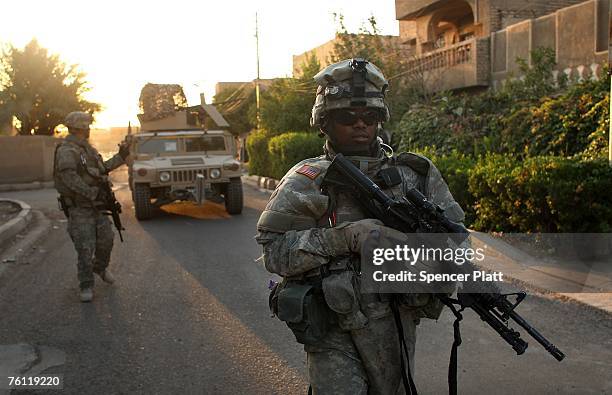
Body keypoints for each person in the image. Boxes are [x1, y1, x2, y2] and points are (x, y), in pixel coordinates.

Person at [255, 59, 466, 394]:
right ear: (324, 122)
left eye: (369, 117)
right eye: (346, 117)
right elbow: (276, 255)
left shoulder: (414, 175)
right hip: (333, 326)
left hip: (396, 321)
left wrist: (431, 261)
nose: (360, 125)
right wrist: (344, 238)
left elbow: (456, 241)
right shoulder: (305, 182)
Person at [54, 111, 129, 302]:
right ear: (80, 128)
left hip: (96, 206)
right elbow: (69, 177)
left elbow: (101, 169)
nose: (89, 129)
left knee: (107, 240)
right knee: (85, 248)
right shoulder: (67, 150)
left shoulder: (87, 150)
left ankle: (100, 268)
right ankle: (86, 285)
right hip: (80, 208)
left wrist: (121, 157)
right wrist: (91, 193)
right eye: (86, 126)